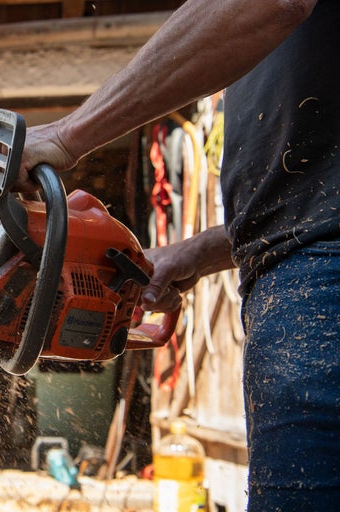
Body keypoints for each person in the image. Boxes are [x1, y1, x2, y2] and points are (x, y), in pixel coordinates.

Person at [18, 0, 340, 510]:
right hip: (295, 272)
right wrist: (196, 252)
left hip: (321, 282)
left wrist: (66, 136)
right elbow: (313, 198)